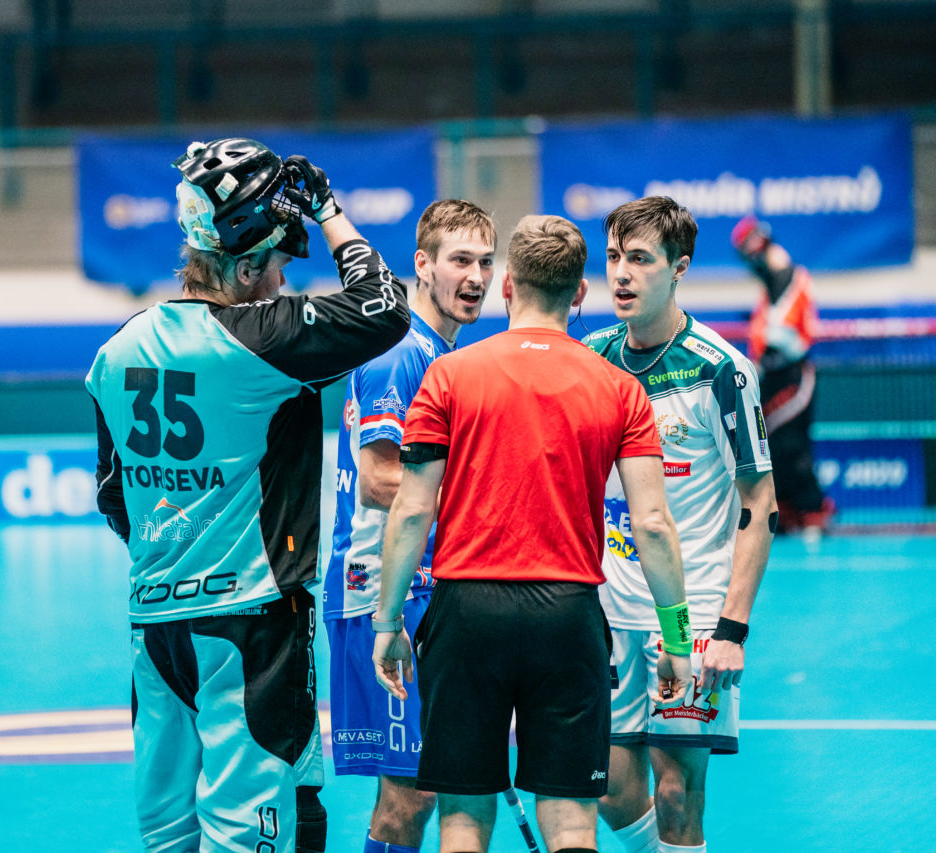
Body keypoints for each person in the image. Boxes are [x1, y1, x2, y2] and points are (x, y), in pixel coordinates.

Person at [86, 138, 409, 853]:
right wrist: (326, 210)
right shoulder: (263, 340)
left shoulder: (117, 348)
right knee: (256, 832)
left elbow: (114, 497)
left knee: (170, 831)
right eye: (277, 265)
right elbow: (385, 308)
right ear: (243, 263)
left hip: (154, 629)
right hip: (250, 624)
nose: (282, 280)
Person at [372, 214, 694, 853]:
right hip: (568, 617)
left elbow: (410, 510)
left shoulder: (450, 375)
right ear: (579, 293)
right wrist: (678, 637)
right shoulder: (621, 390)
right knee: (572, 822)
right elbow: (654, 524)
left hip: (465, 614)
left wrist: (387, 624)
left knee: (463, 818)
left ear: (509, 284)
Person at [584, 197, 777, 853]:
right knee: (607, 785)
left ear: (680, 268)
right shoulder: (592, 359)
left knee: (675, 795)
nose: (622, 274)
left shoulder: (721, 369)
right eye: (613, 257)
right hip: (608, 613)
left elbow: (760, 505)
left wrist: (732, 629)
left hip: (689, 619)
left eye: (639, 259)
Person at [324, 199, 497, 853]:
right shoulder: (400, 349)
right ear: (422, 265)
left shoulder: (443, 352)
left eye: (485, 261)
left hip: (427, 586)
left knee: (434, 785)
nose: (475, 275)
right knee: (411, 793)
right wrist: (490, 497)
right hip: (381, 589)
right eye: (459, 260)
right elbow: (378, 478)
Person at [731, 215, 833, 538]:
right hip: (772, 378)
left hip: (793, 376)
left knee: (790, 444)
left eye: (752, 248)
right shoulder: (768, 292)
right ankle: (787, 508)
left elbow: (785, 336)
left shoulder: (790, 277)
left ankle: (813, 510)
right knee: (769, 444)